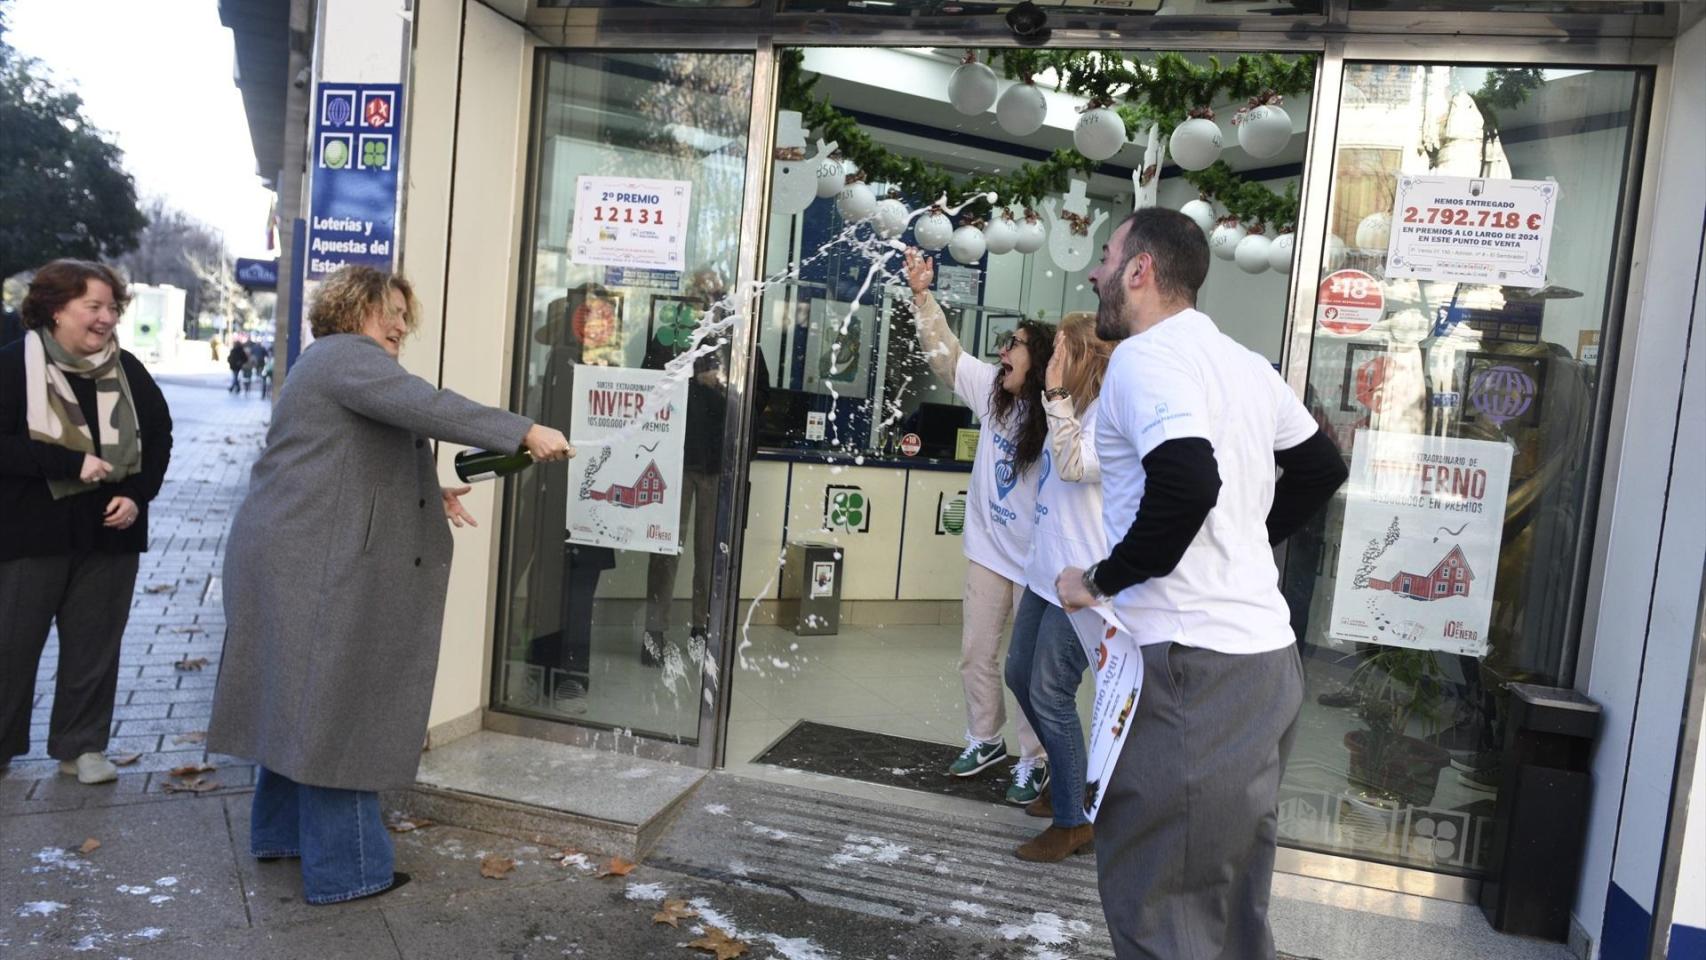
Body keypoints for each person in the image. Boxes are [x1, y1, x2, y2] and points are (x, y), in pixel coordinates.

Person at [207, 266, 574, 905]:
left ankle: (283, 835)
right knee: (337, 704)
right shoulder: (345, 357)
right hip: (312, 564)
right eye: (392, 312)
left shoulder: (328, 365)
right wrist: (521, 430)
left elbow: (345, 465)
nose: (402, 325)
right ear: (354, 310)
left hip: (297, 555)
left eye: (407, 314)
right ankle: (349, 869)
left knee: (295, 699)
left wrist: (429, 491)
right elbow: (427, 406)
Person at [1054, 208, 1348, 959]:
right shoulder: (1246, 364)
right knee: (1228, 900)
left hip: (1193, 669)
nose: (1096, 272)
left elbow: (1187, 482)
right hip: (1264, 666)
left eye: (1107, 256)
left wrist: (1099, 577)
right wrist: (1253, 537)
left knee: (1163, 904)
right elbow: (1321, 468)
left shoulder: (1148, 359)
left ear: (1141, 270)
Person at [0, 260, 173, 783]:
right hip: (31, 531)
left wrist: (137, 495)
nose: (106, 318)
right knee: (11, 644)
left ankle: (82, 747)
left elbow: (159, 437)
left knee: (95, 647)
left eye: (111, 307)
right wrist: (68, 462)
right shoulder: (13, 366)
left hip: (110, 532)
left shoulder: (128, 370)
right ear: (56, 310)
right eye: (93, 306)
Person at [904, 247, 1055, 805]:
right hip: (990, 554)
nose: (1003, 349)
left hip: (1038, 565)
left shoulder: (1057, 415)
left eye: (1014, 344)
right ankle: (984, 739)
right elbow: (946, 354)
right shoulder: (991, 393)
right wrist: (922, 296)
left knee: (1030, 670)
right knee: (976, 654)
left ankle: (1033, 760)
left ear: (1038, 361)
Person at [1003, 311, 1113, 861]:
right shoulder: (1066, 407)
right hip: (1045, 573)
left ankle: (1075, 821)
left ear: (1083, 357)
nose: (1051, 362)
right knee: (1019, 675)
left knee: (1050, 692)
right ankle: (1068, 780)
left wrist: (1055, 395)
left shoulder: (1106, 415)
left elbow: (1074, 467)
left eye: (1060, 352)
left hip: (1084, 581)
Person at [641, 269, 770, 666]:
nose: (708, 303)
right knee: (664, 551)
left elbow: (759, 399)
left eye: (715, 294)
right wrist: (689, 378)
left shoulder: (743, 343)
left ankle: (702, 629)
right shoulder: (667, 340)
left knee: (710, 555)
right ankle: (655, 632)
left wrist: (722, 386)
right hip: (672, 460)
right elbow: (645, 389)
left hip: (718, 462)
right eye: (700, 295)